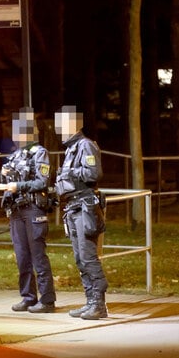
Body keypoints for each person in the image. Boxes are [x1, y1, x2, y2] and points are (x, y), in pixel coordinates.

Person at [1, 107, 57, 314]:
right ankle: (28, 297)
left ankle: (48, 300)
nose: (15, 135)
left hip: (33, 209)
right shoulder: (15, 155)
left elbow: (42, 182)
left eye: (19, 131)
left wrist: (20, 186)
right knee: (22, 257)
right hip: (16, 210)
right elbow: (7, 180)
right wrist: (5, 174)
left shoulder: (40, 153)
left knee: (38, 256)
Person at [54, 105, 107, 320]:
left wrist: (69, 172)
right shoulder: (71, 148)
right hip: (74, 207)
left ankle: (99, 303)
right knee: (79, 258)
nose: (59, 129)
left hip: (85, 207)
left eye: (62, 124)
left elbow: (94, 173)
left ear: (75, 124)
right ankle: (90, 301)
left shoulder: (85, 145)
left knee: (88, 256)